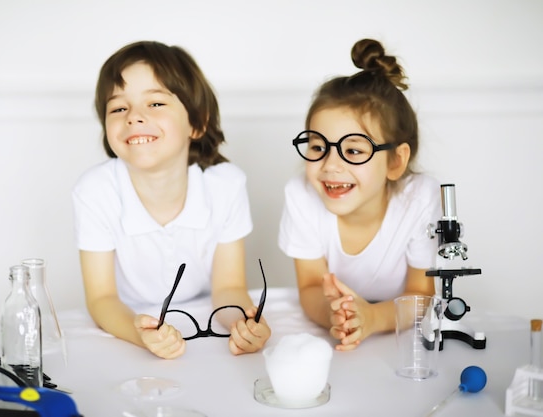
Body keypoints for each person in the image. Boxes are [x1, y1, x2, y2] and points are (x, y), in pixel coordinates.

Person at [72, 41, 270, 359]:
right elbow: (102, 298)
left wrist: (244, 325)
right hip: (127, 325)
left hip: (203, 327)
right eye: (118, 108)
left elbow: (228, 288)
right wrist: (139, 333)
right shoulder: (95, 190)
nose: (134, 117)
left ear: (197, 122)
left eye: (155, 104)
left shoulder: (226, 185)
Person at [278, 38, 441, 351]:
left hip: (402, 340)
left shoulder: (419, 199)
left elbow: (421, 293)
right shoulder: (301, 194)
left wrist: (372, 319)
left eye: (353, 150)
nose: (331, 165)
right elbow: (311, 286)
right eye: (317, 147)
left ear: (395, 161)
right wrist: (336, 316)